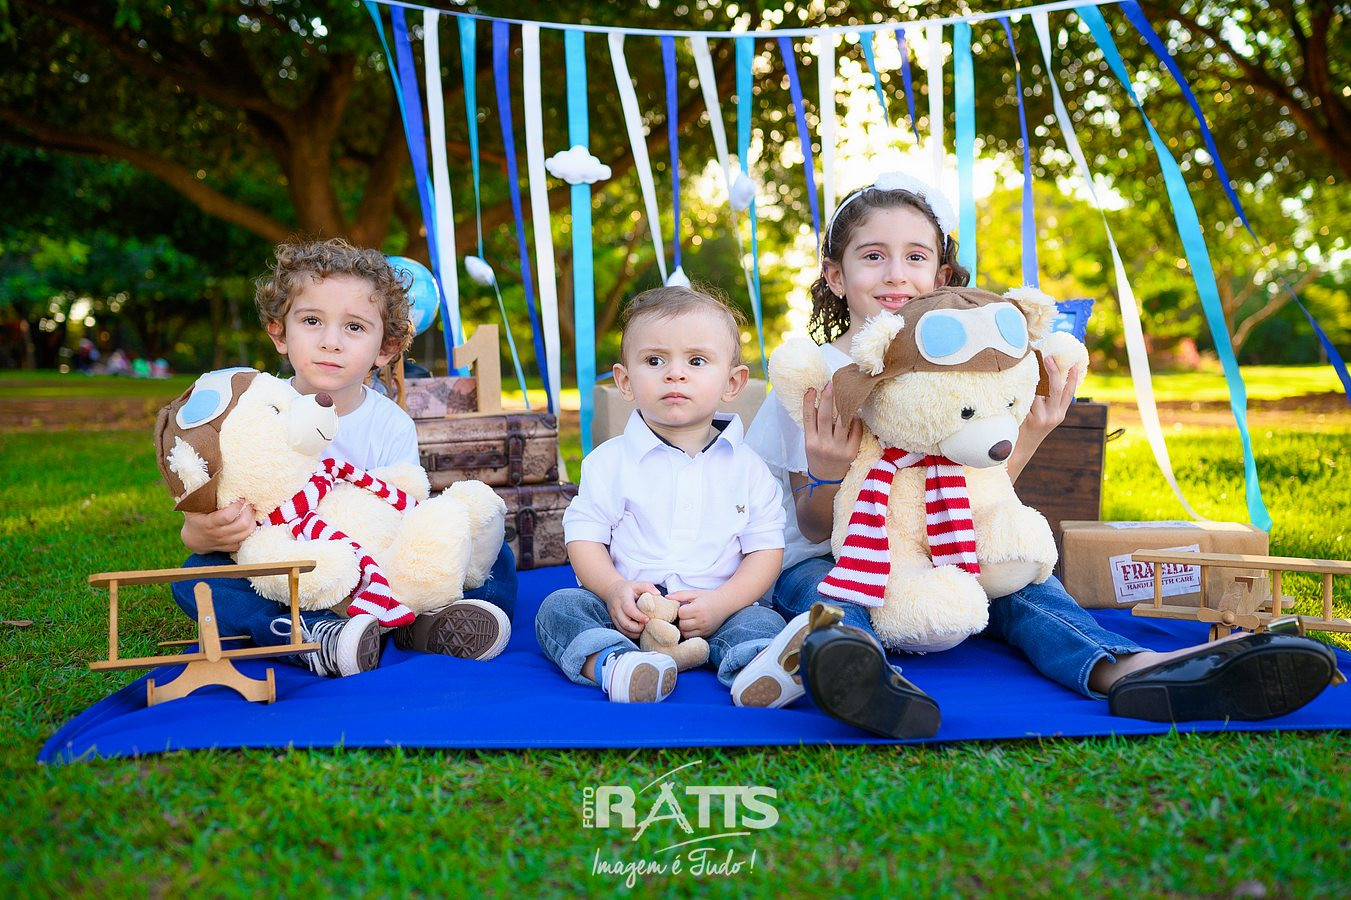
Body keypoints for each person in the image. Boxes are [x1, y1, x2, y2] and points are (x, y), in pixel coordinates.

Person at [745, 171, 1339, 737]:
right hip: (834, 555)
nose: (896, 274)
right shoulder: (814, 376)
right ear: (836, 275)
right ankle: (861, 676)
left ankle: (1126, 669)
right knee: (824, 590)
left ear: (942, 274)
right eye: (873, 255)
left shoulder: (964, 366)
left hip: (943, 548)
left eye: (916, 257)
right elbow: (812, 527)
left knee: (1027, 588)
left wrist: (1032, 430)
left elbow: (982, 490)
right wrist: (826, 471)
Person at [172, 239, 517, 677]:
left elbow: (401, 510)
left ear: (386, 348)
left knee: (494, 551)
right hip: (293, 569)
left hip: (380, 563)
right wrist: (201, 533)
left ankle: (431, 620)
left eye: (354, 327)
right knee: (198, 576)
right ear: (279, 333)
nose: (330, 342)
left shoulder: (390, 424)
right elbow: (210, 515)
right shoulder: (256, 411)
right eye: (311, 321)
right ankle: (315, 635)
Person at [534, 286, 812, 706]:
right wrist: (613, 590)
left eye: (696, 361)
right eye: (654, 360)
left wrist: (723, 603)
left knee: (760, 620)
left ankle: (756, 668)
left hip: (717, 611)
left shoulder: (749, 468)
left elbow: (765, 552)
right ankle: (617, 664)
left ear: (732, 382)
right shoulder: (609, 462)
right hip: (628, 613)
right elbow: (585, 538)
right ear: (625, 381)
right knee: (560, 607)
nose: (675, 374)